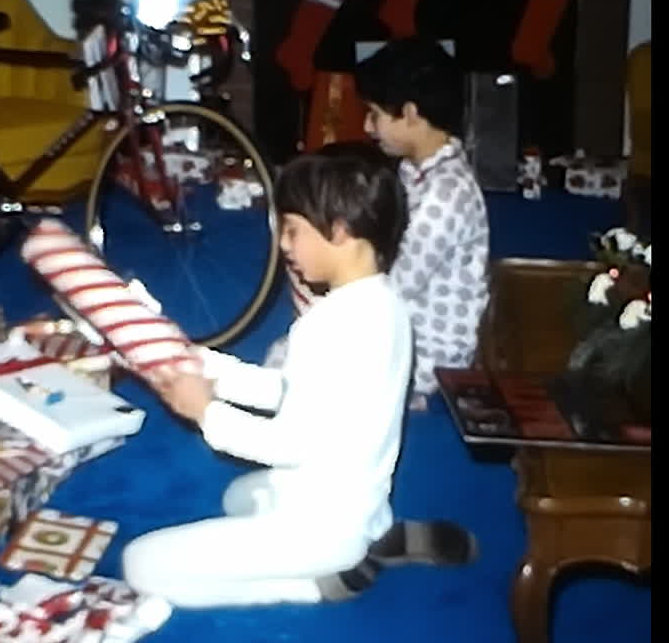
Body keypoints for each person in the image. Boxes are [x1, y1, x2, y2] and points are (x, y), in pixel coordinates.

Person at [121, 142, 412, 608]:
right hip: (351, 503)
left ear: (339, 231)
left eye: (293, 231)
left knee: (140, 565)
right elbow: (293, 392)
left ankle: (313, 586)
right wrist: (209, 365)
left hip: (321, 528)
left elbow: (287, 444)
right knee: (240, 498)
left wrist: (205, 411)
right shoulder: (385, 306)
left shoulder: (328, 328)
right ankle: (365, 542)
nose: (283, 245)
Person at [275, 37, 489, 413]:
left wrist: (329, 288)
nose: (367, 125)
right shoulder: (417, 170)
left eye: (374, 114)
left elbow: (394, 287)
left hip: (426, 352)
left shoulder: (446, 197)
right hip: (396, 319)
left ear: (409, 114)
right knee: (295, 346)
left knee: (298, 358)